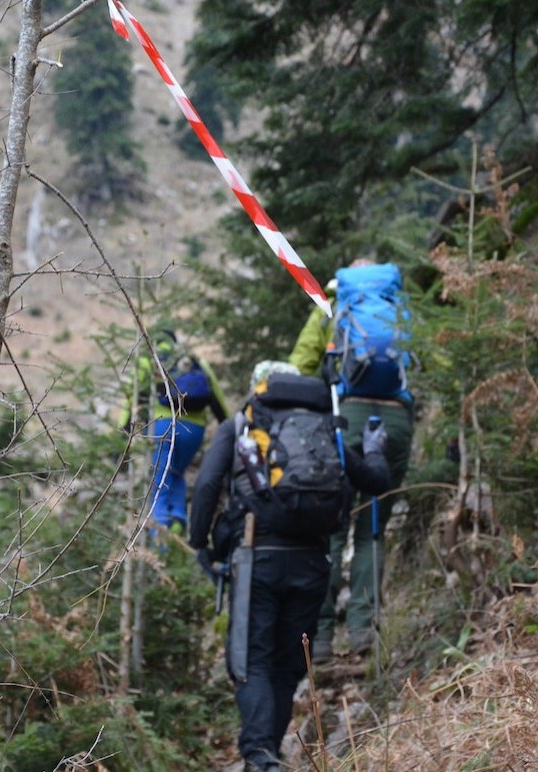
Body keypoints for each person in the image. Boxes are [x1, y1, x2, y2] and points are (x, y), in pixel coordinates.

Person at [188, 360, 389, 772]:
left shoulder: (243, 425)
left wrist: (200, 544)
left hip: (256, 555)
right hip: (313, 561)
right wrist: (373, 447)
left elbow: (207, 485)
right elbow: (375, 480)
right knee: (287, 663)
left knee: (252, 659)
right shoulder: (322, 428)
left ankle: (260, 756)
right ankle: (269, 755)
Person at [290, 259, 416, 661]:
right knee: (372, 529)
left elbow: (300, 366)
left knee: (332, 526)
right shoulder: (401, 308)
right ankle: (363, 629)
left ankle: (322, 636)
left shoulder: (331, 307)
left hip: (348, 418)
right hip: (395, 420)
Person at [125, 329, 228, 533]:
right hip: (195, 430)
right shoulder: (194, 361)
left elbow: (131, 400)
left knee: (159, 482)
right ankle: (178, 520)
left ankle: (159, 539)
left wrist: (123, 433)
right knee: (176, 473)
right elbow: (218, 399)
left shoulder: (149, 360)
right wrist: (230, 428)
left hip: (163, 426)